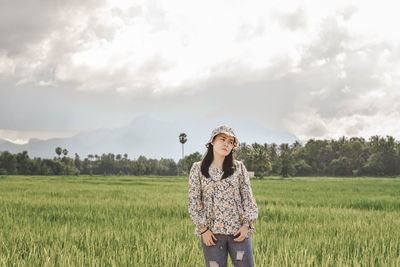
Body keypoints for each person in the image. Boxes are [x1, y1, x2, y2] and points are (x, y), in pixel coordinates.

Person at [188, 124, 258, 267]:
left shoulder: (238, 167)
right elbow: (194, 201)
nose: (227, 144)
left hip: (239, 233)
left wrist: (246, 225)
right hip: (212, 235)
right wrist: (203, 230)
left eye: (231, 142)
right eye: (222, 139)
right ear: (212, 141)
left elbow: (248, 198)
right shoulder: (198, 168)